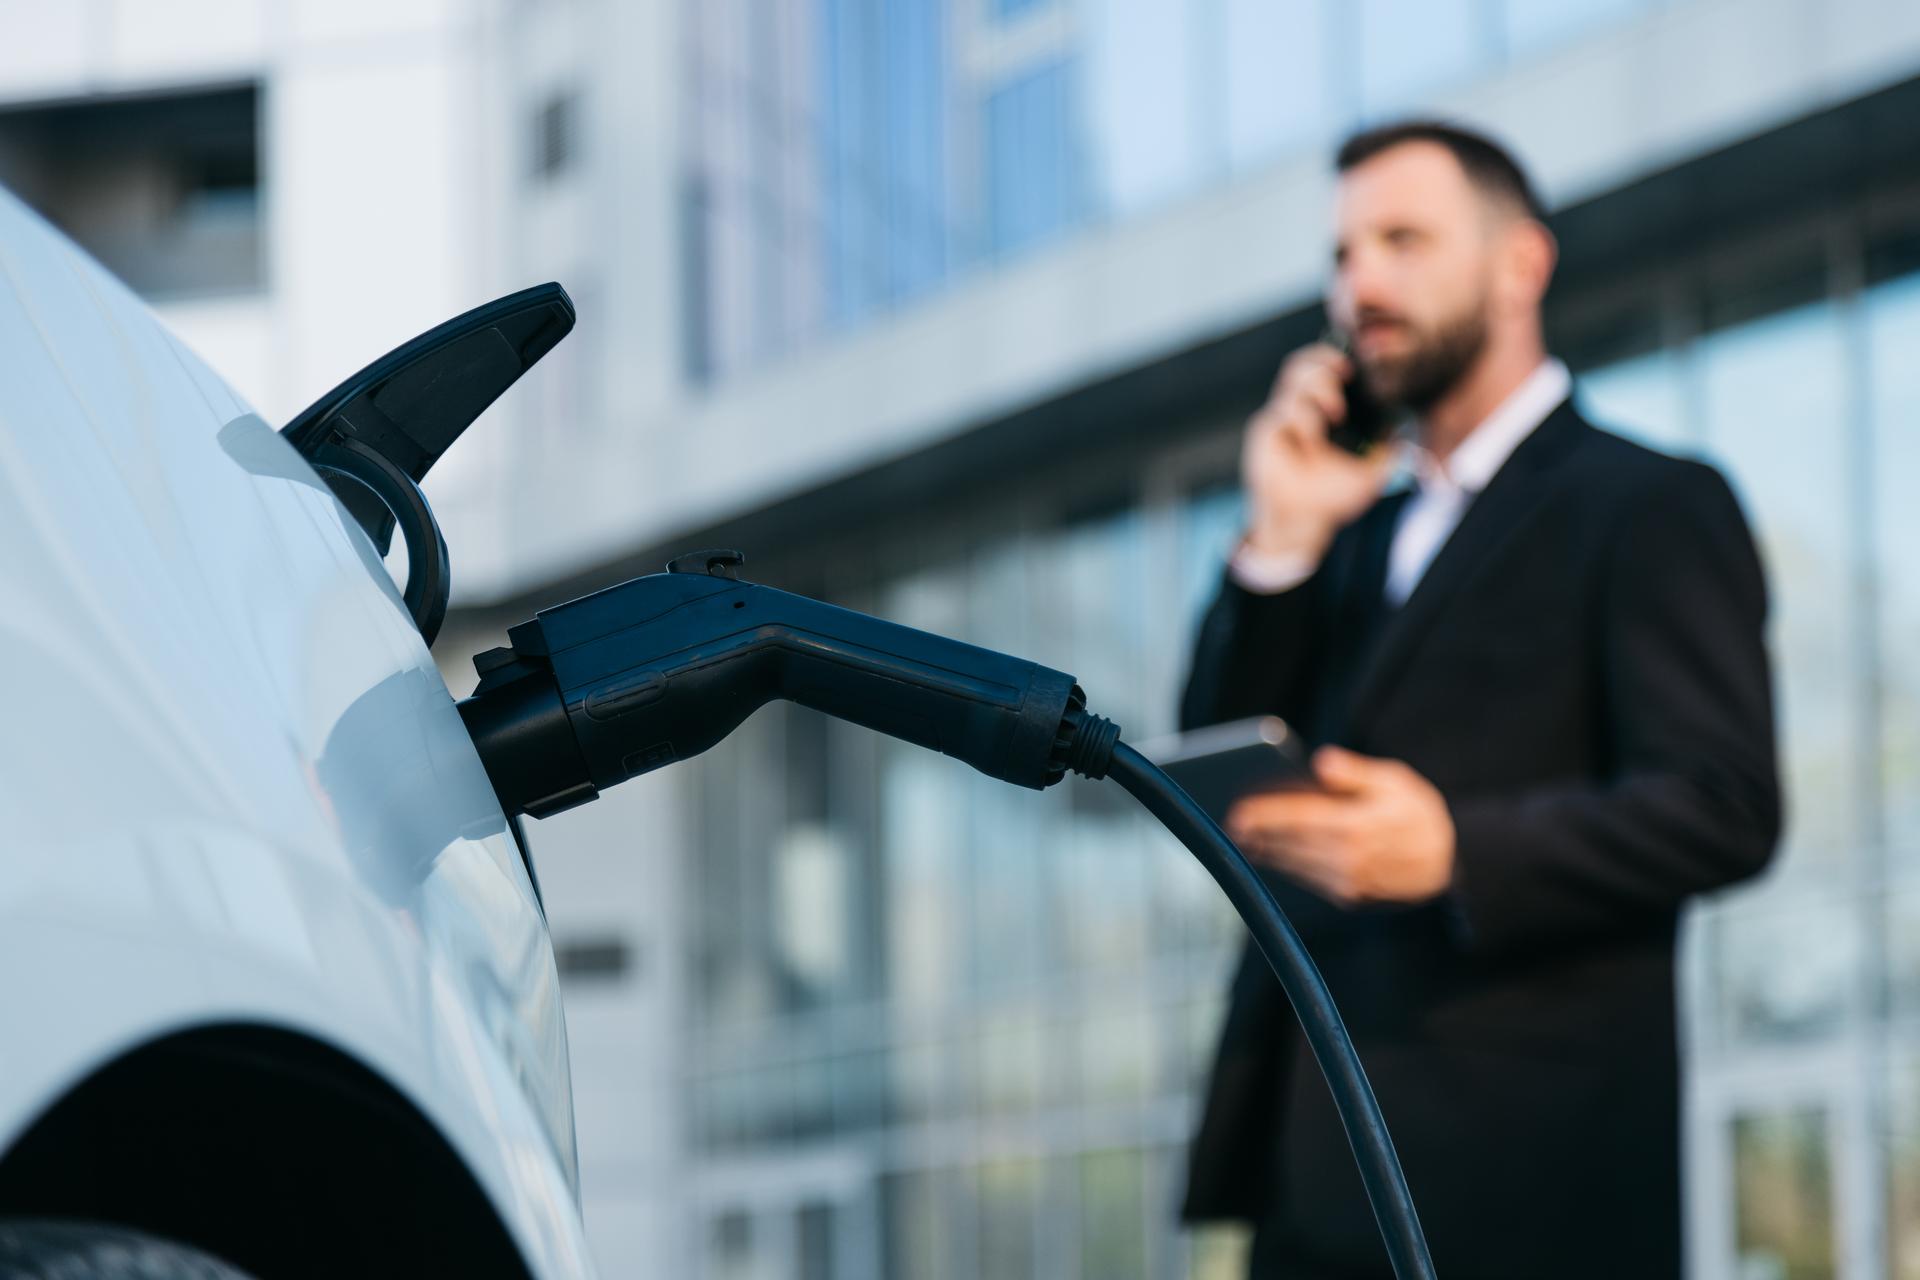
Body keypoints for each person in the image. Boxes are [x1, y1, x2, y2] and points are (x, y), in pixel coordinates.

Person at [1177, 120, 1782, 1279]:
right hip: (1312, 1185)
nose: (1362, 284)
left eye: (1403, 239)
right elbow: (1209, 748)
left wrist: (1460, 849)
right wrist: (1284, 534)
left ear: (1521, 266)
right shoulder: (1345, 537)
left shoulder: (1649, 503)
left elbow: (1727, 801)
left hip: (1529, 1192)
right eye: (1344, 254)